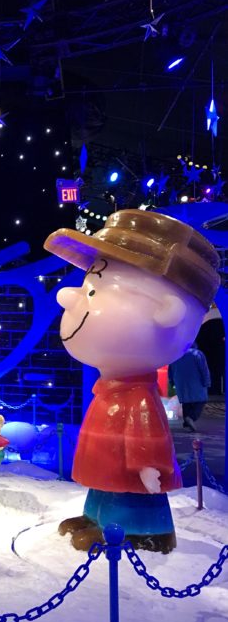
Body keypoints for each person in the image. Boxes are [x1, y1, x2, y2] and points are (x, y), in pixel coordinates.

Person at [44, 209, 219, 553]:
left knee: (128, 490)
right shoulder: (109, 389)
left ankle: (143, 530)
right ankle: (95, 517)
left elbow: (147, 435)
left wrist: (149, 466)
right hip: (109, 458)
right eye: (88, 285)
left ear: (168, 312)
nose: (69, 297)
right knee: (106, 480)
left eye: (95, 290)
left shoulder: (139, 396)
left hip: (134, 473)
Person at [168, 344, 211, 432]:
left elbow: (170, 370)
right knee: (200, 401)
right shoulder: (197, 354)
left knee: (186, 402)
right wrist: (207, 382)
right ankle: (191, 417)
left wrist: (172, 382)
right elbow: (204, 369)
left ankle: (187, 421)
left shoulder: (176, 355)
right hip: (196, 382)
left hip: (181, 383)